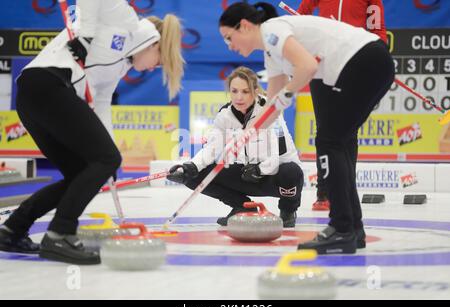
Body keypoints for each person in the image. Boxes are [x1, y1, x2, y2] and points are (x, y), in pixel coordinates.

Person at [0, 0, 184, 264]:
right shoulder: (127, 22)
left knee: (83, 172)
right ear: (154, 44)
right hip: (46, 84)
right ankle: (60, 234)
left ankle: (12, 229)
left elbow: (101, 104)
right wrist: (85, 36)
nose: (154, 67)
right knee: (105, 160)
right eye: (160, 61)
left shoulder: (119, 67)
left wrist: (109, 156)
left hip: (36, 96)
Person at [218, 2, 394, 254]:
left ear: (244, 26)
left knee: (329, 141)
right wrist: (247, 133)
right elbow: (273, 108)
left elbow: (307, 67)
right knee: (338, 142)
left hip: (365, 59)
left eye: (229, 37)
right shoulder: (271, 53)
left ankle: (342, 228)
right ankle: (353, 230)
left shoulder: (272, 30)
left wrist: (285, 96)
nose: (230, 46)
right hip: (372, 61)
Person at [167, 66, 304, 227]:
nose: (239, 97)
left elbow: (279, 150)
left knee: (291, 172)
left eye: (245, 92)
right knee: (194, 175)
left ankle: (288, 210)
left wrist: (260, 170)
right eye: (234, 91)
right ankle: (242, 207)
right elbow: (212, 147)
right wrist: (190, 166)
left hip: (275, 175)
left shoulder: (270, 110)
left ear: (254, 91)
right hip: (246, 174)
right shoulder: (225, 114)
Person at [296, 0, 387, 211]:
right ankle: (324, 192)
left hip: (352, 63)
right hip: (322, 65)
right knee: (325, 130)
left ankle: (345, 190)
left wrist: (377, 56)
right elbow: (301, 14)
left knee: (348, 130)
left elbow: (377, 29)